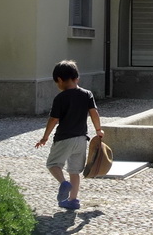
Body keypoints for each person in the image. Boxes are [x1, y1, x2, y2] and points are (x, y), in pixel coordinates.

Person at [34, 60, 103, 210]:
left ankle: (63, 183)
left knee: (53, 164)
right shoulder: (87, 94)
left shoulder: (60, 98)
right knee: (74, 171)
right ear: (76, 78)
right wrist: (98, 130)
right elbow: (94, 113)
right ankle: (73, 200)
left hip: (64, 138)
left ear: (59, 80)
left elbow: (54, 119)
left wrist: (45, 137)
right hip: (81, 139)